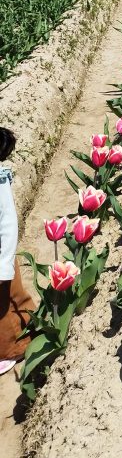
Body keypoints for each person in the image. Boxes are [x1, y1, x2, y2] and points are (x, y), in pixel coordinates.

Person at [0, 127, 35, 376]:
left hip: (1, 258)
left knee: (6, 305)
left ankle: (14, 348)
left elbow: (8, 225)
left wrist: (4, 264)